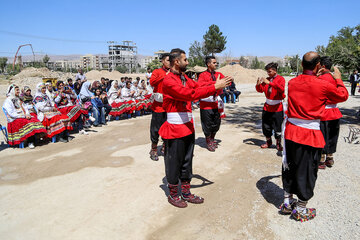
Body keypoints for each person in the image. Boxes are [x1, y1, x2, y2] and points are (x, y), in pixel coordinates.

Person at [159, 48, 232, 208]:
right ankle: (173, 194)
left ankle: (185, 192)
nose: (188, 62)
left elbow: (197, 88)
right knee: (174, 163)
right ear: (176, 62)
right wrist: (214, 86)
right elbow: (189, 94)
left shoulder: (184, 78)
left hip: (187, 127)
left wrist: (218, 84)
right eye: (185, 60)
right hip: (174, 129)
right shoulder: (169, 80)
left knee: (186, 161)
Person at [280, 52, 348, 221]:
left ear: (302, 65)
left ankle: (287, 202)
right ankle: (301, 209)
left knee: (289, 165)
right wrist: (338, 78)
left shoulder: (293, 82)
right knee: (307, 169)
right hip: (309, 134)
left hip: (291, 131)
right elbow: (343, 95)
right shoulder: (322, 85)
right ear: (318, 65)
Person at [317, 57, 349, 169]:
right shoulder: (335, 78)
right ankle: (330, 158)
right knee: (332, 135)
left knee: (322, 135)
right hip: (334, 112)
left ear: (322, 66)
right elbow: (343, 93)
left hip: (322, 112)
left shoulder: (319, 79)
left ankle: (321, 160)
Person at [3, 84, 46, 148]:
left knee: (34, 120)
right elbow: (12, 114)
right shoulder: (8, 101)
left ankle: (34, 139)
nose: (18, 91)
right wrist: (24, 116)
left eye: (18, 90)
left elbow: (25, 108)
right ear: (12, 91)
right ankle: (30, 142)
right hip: (14, 119)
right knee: (29, 124)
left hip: (21, 116)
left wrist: (27, 114)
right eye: (17, 90)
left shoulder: (18, 99)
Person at [197, 56, 226, 151]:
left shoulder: (219, 74)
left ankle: (212, 138)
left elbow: (225, 82)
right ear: (208, 64)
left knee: (216, 123)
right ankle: (208, 140)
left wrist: (229, 80)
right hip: (206, 104)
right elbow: (200, 85)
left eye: (216, 62)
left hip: (216, 104)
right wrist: (215, 83)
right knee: (207, 124)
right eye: (214, 63)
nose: (216, 64)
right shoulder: (202, 75)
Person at [256, 62, 285, 151]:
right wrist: (258, 84)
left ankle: (278, 143)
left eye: (270, 71)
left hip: (277, 107)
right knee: (266, 126)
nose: (268, 73)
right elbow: (260, 90)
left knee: (277, 126)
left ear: (275, 71)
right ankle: (268, 142)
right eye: (267, 72)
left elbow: (281, 89)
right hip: (267, 107)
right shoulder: (267, 80)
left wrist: (270, 83)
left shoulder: (281, 79)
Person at [149, 53, 170, 160]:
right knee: (156, 129)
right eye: (167, 60)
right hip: (158, 106)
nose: (169, 62)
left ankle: (165, 146)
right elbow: (152, 82)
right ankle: (154, 148)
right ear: (162, 61)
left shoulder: (175, 73)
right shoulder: (157, 72)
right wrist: (164, 76)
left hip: (170, 107)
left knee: (168, 128)